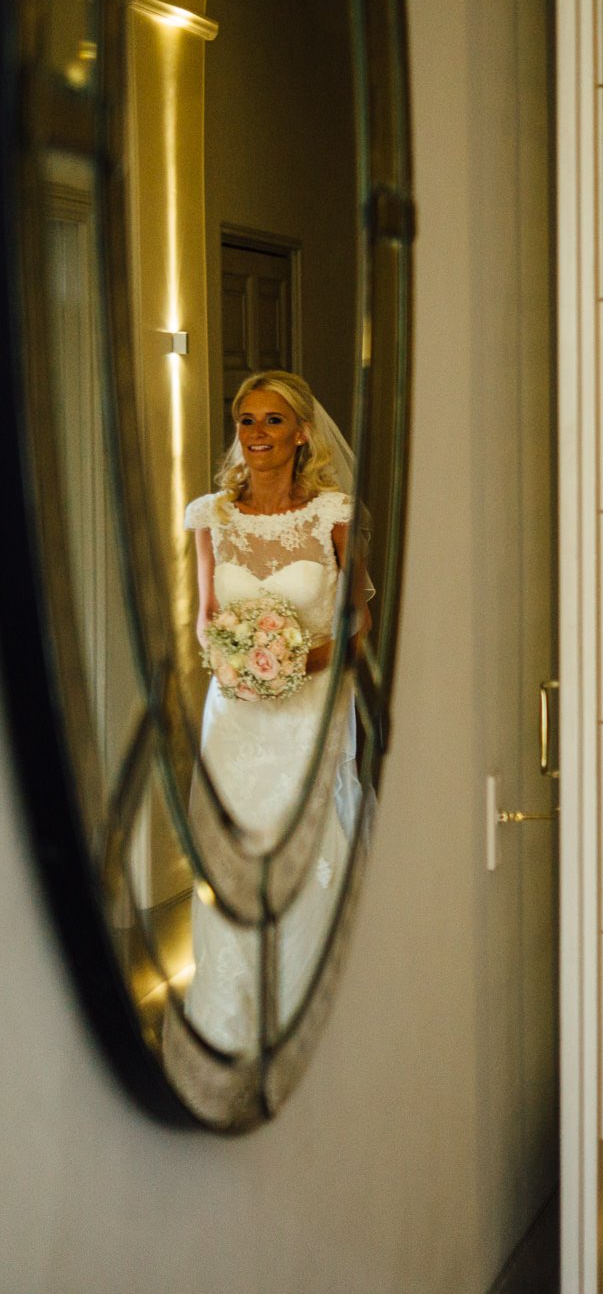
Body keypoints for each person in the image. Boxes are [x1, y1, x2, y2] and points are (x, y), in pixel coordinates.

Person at [181, 370, 368, 1055]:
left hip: (307, 709)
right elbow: (205, 616)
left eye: (272, 421)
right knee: (234, 850)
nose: (256, 435)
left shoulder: (332, 513)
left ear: (302, 433)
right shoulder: (211, 515)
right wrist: (233, 660)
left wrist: (294, 664)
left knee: (308, 843)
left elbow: (357, 617)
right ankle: (230, 1011)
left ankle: (309, 1007)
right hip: (232, 714)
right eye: (247, 420)